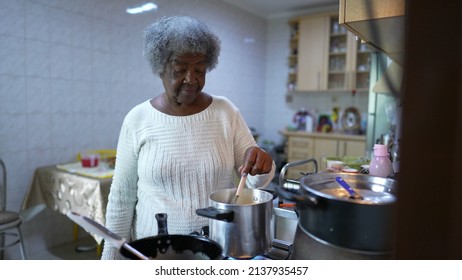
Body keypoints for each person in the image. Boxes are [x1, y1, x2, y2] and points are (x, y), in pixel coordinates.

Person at [101, 16, 275, 259]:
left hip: (216, 250)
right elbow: (121, 199)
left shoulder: (226, 112)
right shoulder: (137, 119)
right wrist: (109, 262)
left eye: (200, 69)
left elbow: (254, 181)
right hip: (155, 253)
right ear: (160, 68)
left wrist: (262, 165)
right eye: (180, 69)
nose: (191, 79)